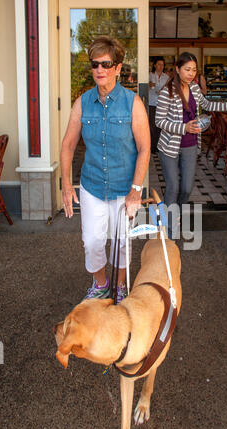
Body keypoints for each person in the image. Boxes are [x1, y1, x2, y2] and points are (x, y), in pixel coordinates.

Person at [60, 36, 150, 301]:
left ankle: (120, 287)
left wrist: (136, 190)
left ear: (118, 68)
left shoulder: (133, 103)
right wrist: (66, 185)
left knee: (122, 243)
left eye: (105, 64)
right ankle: (100, 284)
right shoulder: (82, 103)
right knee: (93, 241)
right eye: (94, 64)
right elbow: (67, 145)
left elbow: (145, 148)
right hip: (93, 185)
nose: (99, 70)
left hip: (125, 186)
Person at [155, 52, 227, 239]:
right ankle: (169, 230)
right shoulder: (166, 92)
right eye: (187, 69)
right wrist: (184, 127)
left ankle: (173, 214)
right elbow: (159, 121)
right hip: (169, 145)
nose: (191, 73)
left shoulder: (195, 89)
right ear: (177, 70)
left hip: (189, 145)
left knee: (186, 187)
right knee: (173, 187)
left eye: (194, 70)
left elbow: (208, 104)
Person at [149, 57, 169, 154]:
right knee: (152, 126)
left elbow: (169, 89)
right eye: (159, 64)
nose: (161, 66)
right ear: (154, 65)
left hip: (162, 104)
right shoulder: (149, 75)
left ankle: (158, 147)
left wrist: (164, 91)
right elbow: (146, 87)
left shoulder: (166, 77)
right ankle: (152, 147)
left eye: (162, 65)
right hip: (151, 103)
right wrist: (149, 85)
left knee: (160, 126)